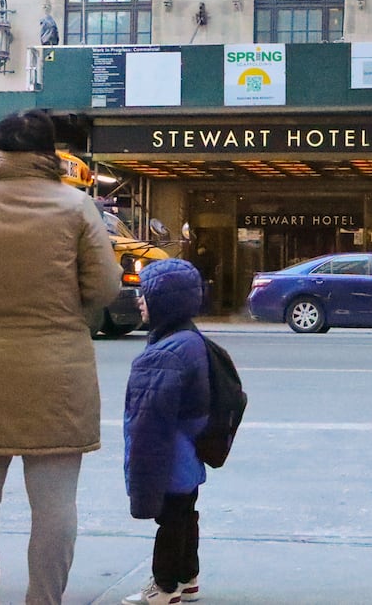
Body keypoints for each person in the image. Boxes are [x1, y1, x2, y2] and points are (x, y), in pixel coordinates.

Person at [0, 109, 123, 605]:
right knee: (55, 505)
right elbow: (104, 287)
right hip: (58, 370)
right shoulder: (75, 205)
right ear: (48, 152)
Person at [121, 259, 210, 605]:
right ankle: (188, 577)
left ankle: (165, 585)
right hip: (189, 451)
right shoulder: (189, 339)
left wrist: (140, 481)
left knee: (170, 519)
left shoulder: (162, 354)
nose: (138, 301)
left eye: (145, 295)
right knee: (185, 513)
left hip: (169, 453)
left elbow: (146, 425)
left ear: (165, 302)